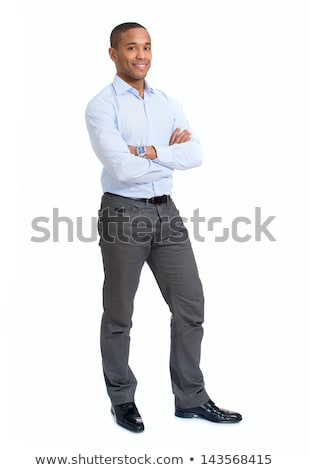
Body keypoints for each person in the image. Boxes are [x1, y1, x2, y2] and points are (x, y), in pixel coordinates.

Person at [85, 22, 242, 433]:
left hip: (166, 213)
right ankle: (122, 399)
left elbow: (196, 153)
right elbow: (119, 165)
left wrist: (150, 150)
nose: (141, 55)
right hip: (122, 213)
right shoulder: (102, 106)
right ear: (114, 53)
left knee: (191, 306)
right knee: (120, 313)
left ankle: (190, 398)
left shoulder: (167, 101)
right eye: (131, 47)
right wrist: (168, 155)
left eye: (147, 47)